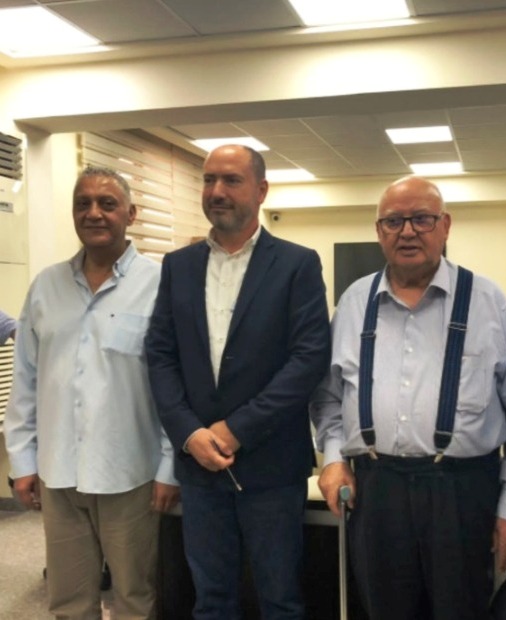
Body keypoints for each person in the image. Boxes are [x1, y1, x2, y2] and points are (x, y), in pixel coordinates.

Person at [310, 176, 506, 620]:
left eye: (422, 219)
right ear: (379, 231)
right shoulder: (354, 302)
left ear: (445, 225)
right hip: (376, 491)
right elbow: (328, 397)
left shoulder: (488, 301)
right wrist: (334, 458)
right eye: (394, 221)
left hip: (462, 492)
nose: (408, 231)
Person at [145, 144, 331, 620]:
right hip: (199, 468)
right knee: (210, 600)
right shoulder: (178, 266)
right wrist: (189, 433)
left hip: (271, 468)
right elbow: (160, 356)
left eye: (231, 180)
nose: (217, 191)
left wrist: (236, 429)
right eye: (209, 180)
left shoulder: (296, 264)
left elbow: (308, 360)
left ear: (261, 190)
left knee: (280, 600)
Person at [4, 166, 179, 619]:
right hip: (59, 473)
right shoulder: (46, 286)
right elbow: (26, 379)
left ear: (131, 214)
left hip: (131, 474)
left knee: (135, 598)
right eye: (83, 204)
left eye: (107, 203)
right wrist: (22, 461)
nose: (94, 213)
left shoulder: (161, 284)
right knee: (68, 600)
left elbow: (175, 386)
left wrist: (169, 466)